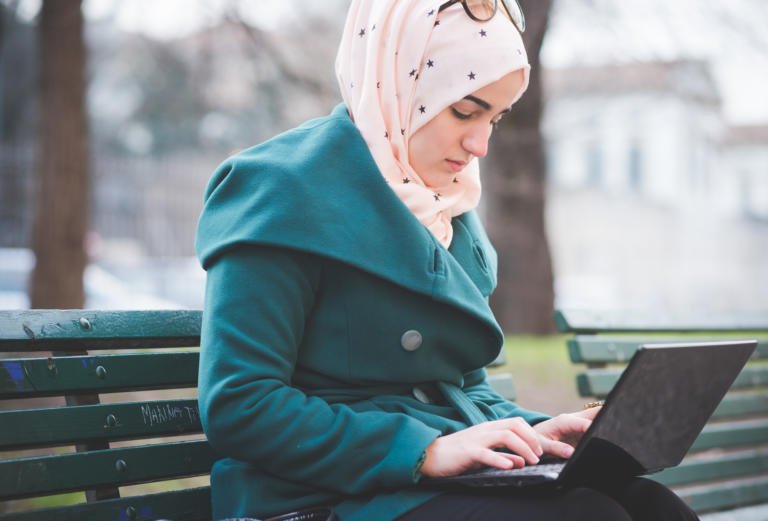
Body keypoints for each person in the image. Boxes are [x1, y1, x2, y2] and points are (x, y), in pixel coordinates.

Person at [195, 1, 700, 520]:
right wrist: (422, 451)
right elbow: (242, 403)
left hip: (425, 486)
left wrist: (530, 432)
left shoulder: (443, 202)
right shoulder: (282, 187)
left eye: (495, 118)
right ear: (400, 81)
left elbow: (459, 386)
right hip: (316, 496)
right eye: (465, 111)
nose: (479, 144)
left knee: (649, 505)